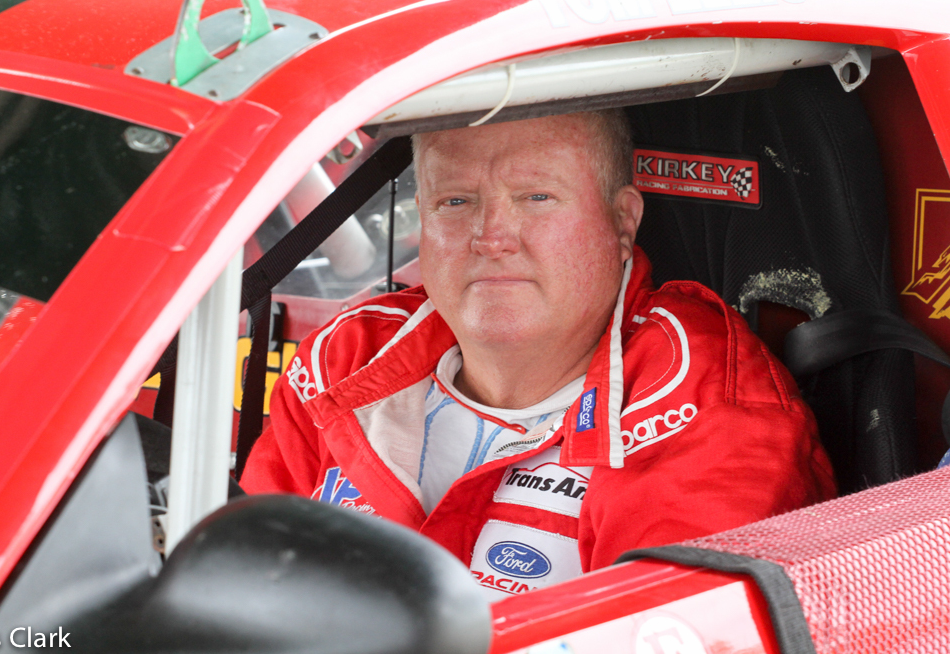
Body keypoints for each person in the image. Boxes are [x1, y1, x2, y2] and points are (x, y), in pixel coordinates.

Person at [241, 110, 835, 599]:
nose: (492, 237)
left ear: (622, 222)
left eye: (536, 196)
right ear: (421, 218)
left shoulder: (703, 403)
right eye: (456, 201)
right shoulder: (345, 358)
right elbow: (246, 591)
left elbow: (673, 629)